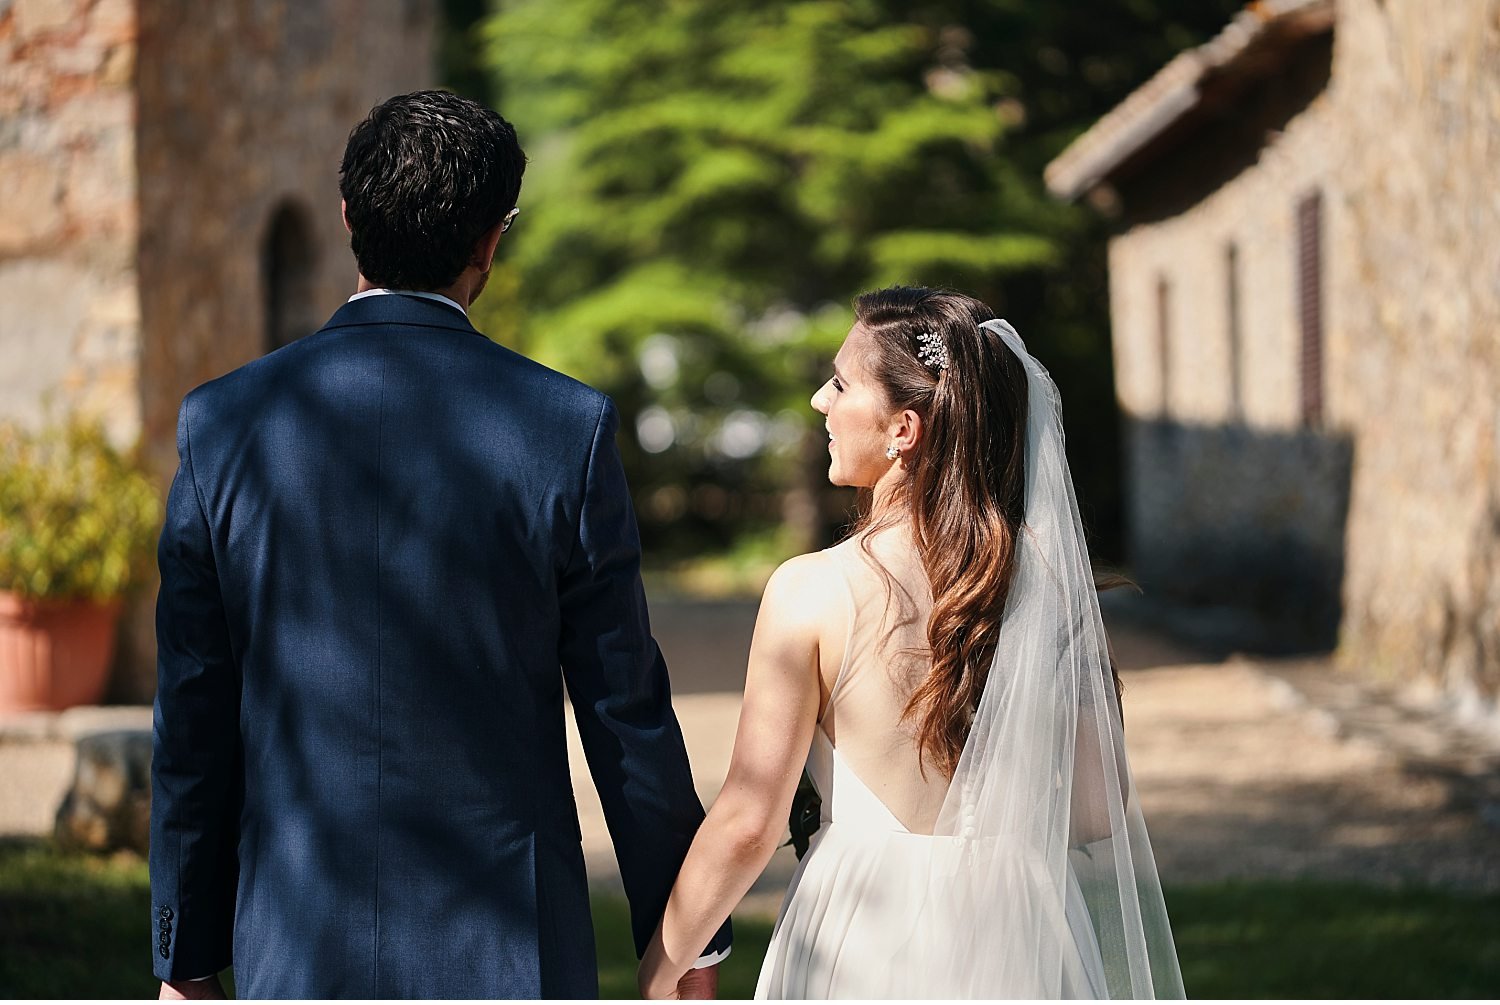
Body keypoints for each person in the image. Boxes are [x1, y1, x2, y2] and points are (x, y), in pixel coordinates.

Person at [149, 90, 729, 1000]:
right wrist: (689, 941)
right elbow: (626, 713)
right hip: (509, 952)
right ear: (492, 241)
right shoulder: (565, 428)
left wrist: (184, 958)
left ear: (347, 219)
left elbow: (193, 710)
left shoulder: (221, 425)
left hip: (296, 944)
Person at [637, 286, 1184, 999]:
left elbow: (747, 819)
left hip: (864, 929)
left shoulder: (813, 589)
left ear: (904, 428)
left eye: (840, 383)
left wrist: (664, 965)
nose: (818, 401)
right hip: (1022, 926)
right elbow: (1095, 810)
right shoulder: (1046, 581)